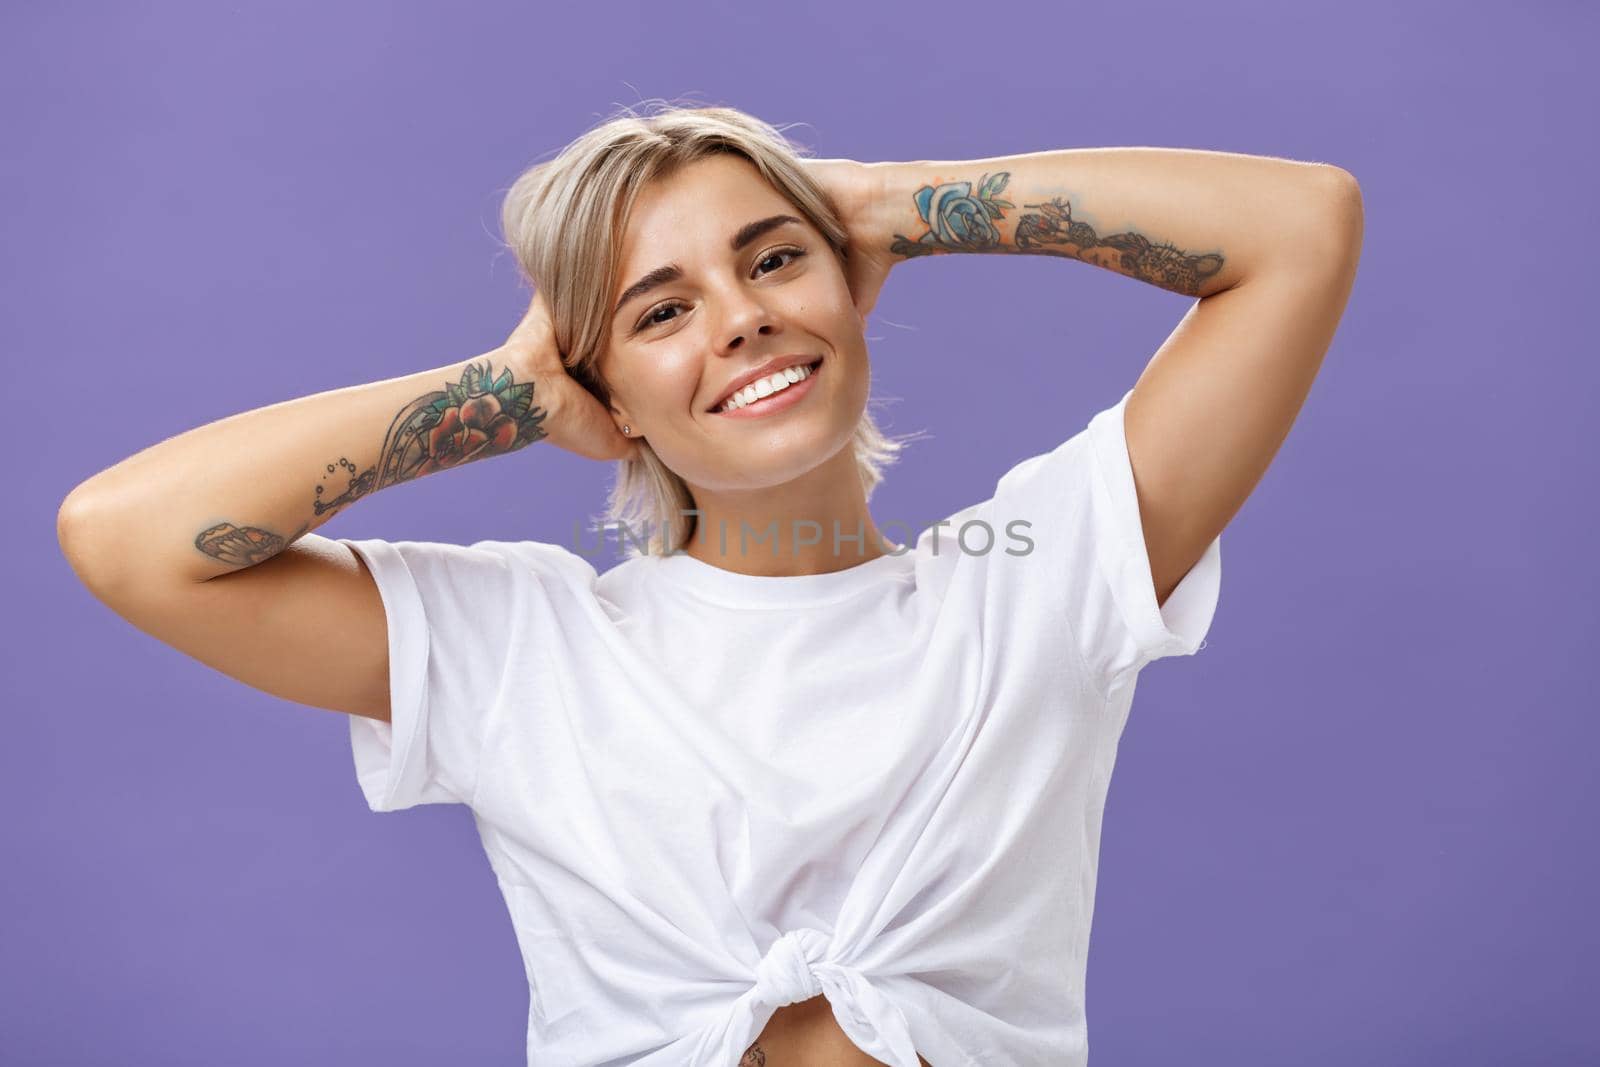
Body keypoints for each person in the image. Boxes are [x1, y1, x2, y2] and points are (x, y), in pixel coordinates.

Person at [56, 101, 1363, 1066]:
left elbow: (1300, 226)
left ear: (850, 290)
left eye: (775, 258)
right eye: (659, 311)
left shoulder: (1029, 586)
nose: (738, 315)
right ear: (599, 385)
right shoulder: (529, 643)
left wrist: (891, 202)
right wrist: (503, 396)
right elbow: (130, 536)